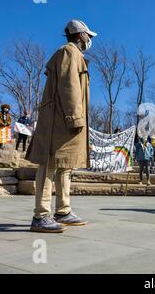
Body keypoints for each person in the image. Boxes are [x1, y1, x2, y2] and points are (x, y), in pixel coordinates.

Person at [25, 19, 97, 233]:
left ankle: (63, 210)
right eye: (88, 36)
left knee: (65, 164)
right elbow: (69, 86)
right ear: (80, 35)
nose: (90, 40)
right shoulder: (69, 52)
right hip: (60, 117)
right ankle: (41, 215)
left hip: (63, 116)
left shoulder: (75, 54)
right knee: (49, 164)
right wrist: (75, 117)